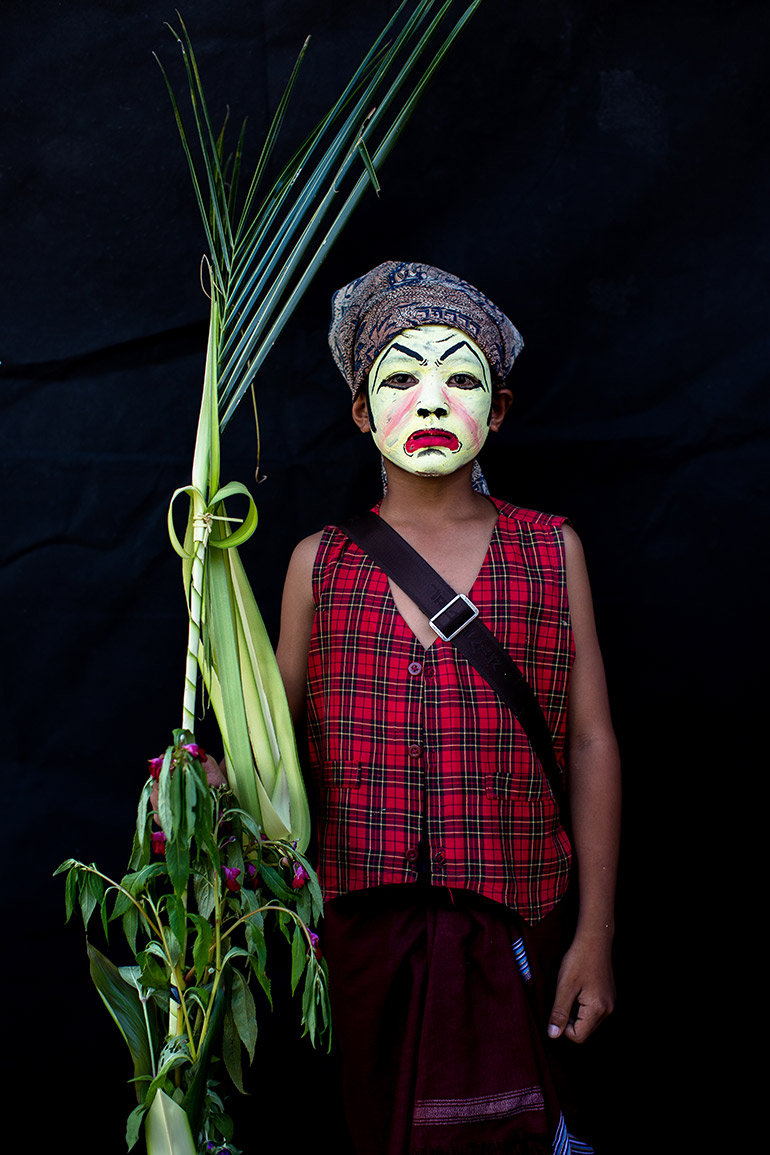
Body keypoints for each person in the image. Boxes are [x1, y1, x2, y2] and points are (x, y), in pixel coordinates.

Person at [276, 260, 621, 1155]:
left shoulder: (553, 550)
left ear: (497, 409)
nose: (431, 401)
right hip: (362, 940)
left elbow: (589, 742)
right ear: (361, 411)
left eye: (460, 378)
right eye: (401, 378)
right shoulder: (319, 565)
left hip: (518, 924)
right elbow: (266, 754)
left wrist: (595, 933)